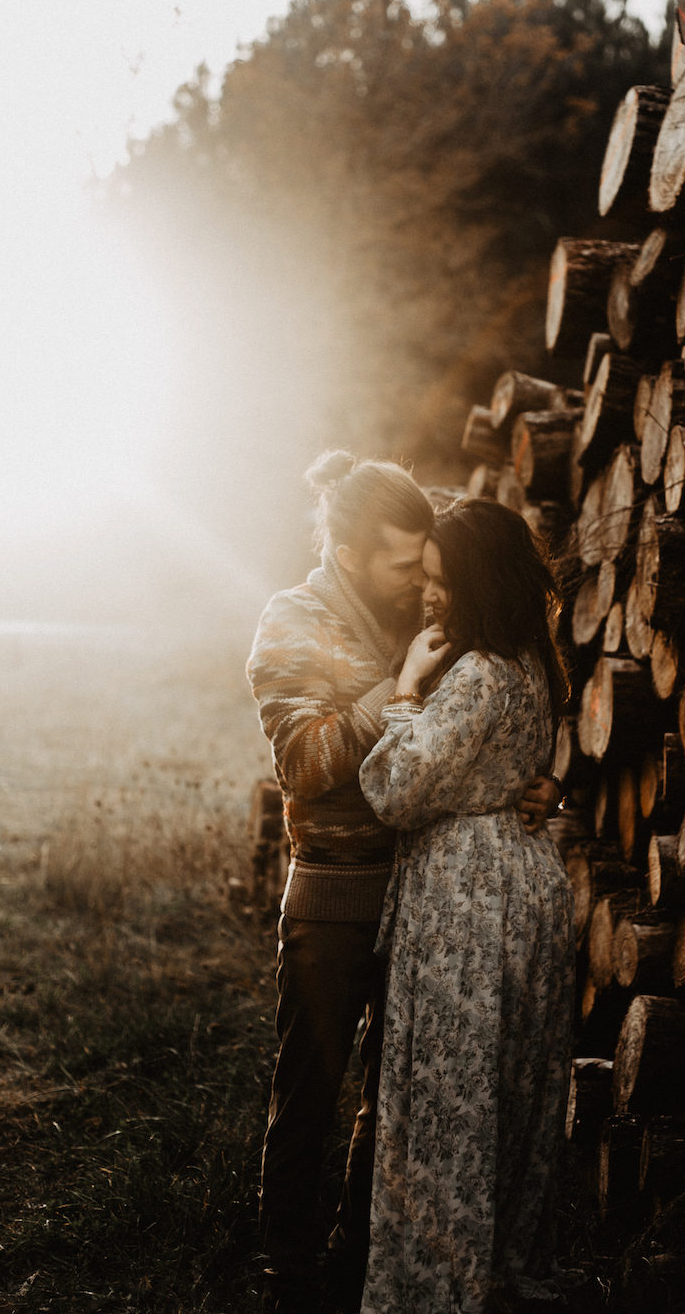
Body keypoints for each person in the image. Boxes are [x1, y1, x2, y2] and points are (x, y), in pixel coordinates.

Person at [246, 453, 559, 1314]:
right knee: (311, 1085)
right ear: (348, 553)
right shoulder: (292, 623)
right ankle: (286, 1270)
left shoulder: (433, 600)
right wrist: (397, 689)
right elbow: (305, 765)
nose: (415, 582)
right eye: (398, 564)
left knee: (402, 1096)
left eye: (423, 562)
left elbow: (483, 724)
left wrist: (528, 782)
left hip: (430, 899)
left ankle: (359, 1249)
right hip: (339, 892)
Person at [357, 497, 576, 1314]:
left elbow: (397, 787)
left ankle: (436, 1289)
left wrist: (407, 689)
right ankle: (497, 1268)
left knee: (450, 1101)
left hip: (467, 902)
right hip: (523, 889)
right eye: (426, 578)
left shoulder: (479, 672)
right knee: (503, 1091)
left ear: (478, 579)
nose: (429, 594)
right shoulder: (533, 664)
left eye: (443, 581)